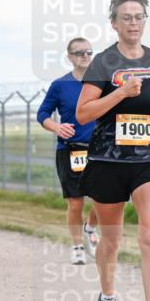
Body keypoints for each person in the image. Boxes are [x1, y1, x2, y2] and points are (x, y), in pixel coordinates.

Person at [75, 0, 150, 301]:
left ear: (145, 21)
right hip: (108, 160)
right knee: (112, 238)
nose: (133, 23)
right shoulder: (102, 63)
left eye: (139, 17)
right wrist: (120, 93)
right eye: (126, 17)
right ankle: (107, 299)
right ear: (114, 24)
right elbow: (83, 113)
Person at [37, 37, 100, 265]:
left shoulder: (102, 83)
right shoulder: (60, 85)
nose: (85, 56)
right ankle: (77, 246)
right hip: (70, 151)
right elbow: (42, 114)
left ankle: (90, 227)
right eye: (79, 52)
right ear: (70, 57)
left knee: (104, 198)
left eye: (88, 52)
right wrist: (56, 127)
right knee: (75, 202)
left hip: (100, 150)